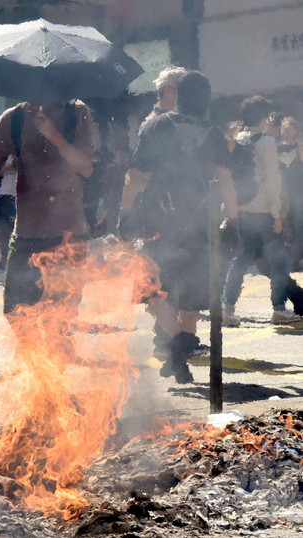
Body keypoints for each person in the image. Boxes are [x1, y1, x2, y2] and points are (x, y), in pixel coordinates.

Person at [121, 71, 237, 383]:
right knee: (192, 295)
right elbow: (225, 179)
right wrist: (234, 220)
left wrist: (125, 216)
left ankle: (176, 344)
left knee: (153, 290)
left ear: (178, 94)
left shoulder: (155, 125)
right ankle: (180, 351)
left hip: (160, 222)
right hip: (201, 223)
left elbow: (136, 176)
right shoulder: (212, 132)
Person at [0, 96, 96, 314]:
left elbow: (86, 168)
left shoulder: (76, 112)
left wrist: (53, 135)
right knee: (15, 314)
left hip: (68, 235)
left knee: (60, 320)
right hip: (26, 234)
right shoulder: (13, 118)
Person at [222, 96, 301, 326]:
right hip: (264, 210)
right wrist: (277, 214)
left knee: (240, 259)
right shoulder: (266, 142)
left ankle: (227, 307)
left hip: (242, 209)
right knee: (278, 261)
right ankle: (278, 308)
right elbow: (273, 181)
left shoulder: (238, 138)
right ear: (264, 118)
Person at [278, 117, 303, 268]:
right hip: (282, 191)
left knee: (298, 223)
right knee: (284, 223)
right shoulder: (276, 148)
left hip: (298, 190)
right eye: (283, 129)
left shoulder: (300, 147)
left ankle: (296, 257)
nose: (285, 132)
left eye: (289, 129)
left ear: (295, 130)